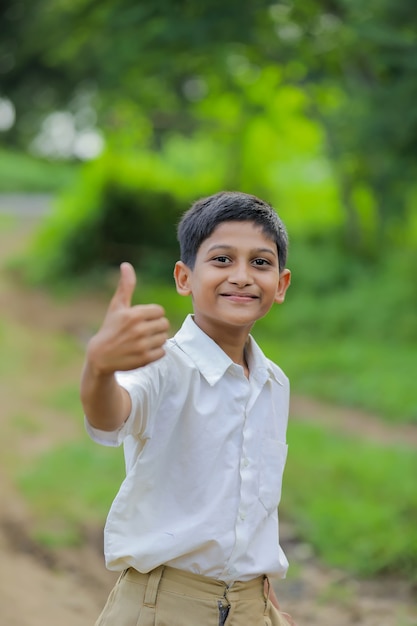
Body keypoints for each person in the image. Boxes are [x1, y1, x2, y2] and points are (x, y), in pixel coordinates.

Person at [80, 190, 295, 626]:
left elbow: (253, 501)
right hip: (162, 604)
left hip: (249, 607)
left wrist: (260, 598)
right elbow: (111, 415)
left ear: (281, 284)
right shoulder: (161, 366)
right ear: (184, 277)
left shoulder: (274, 382)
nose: (242, 276)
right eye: (221, 260)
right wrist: (99, 370)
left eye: (260, 262)